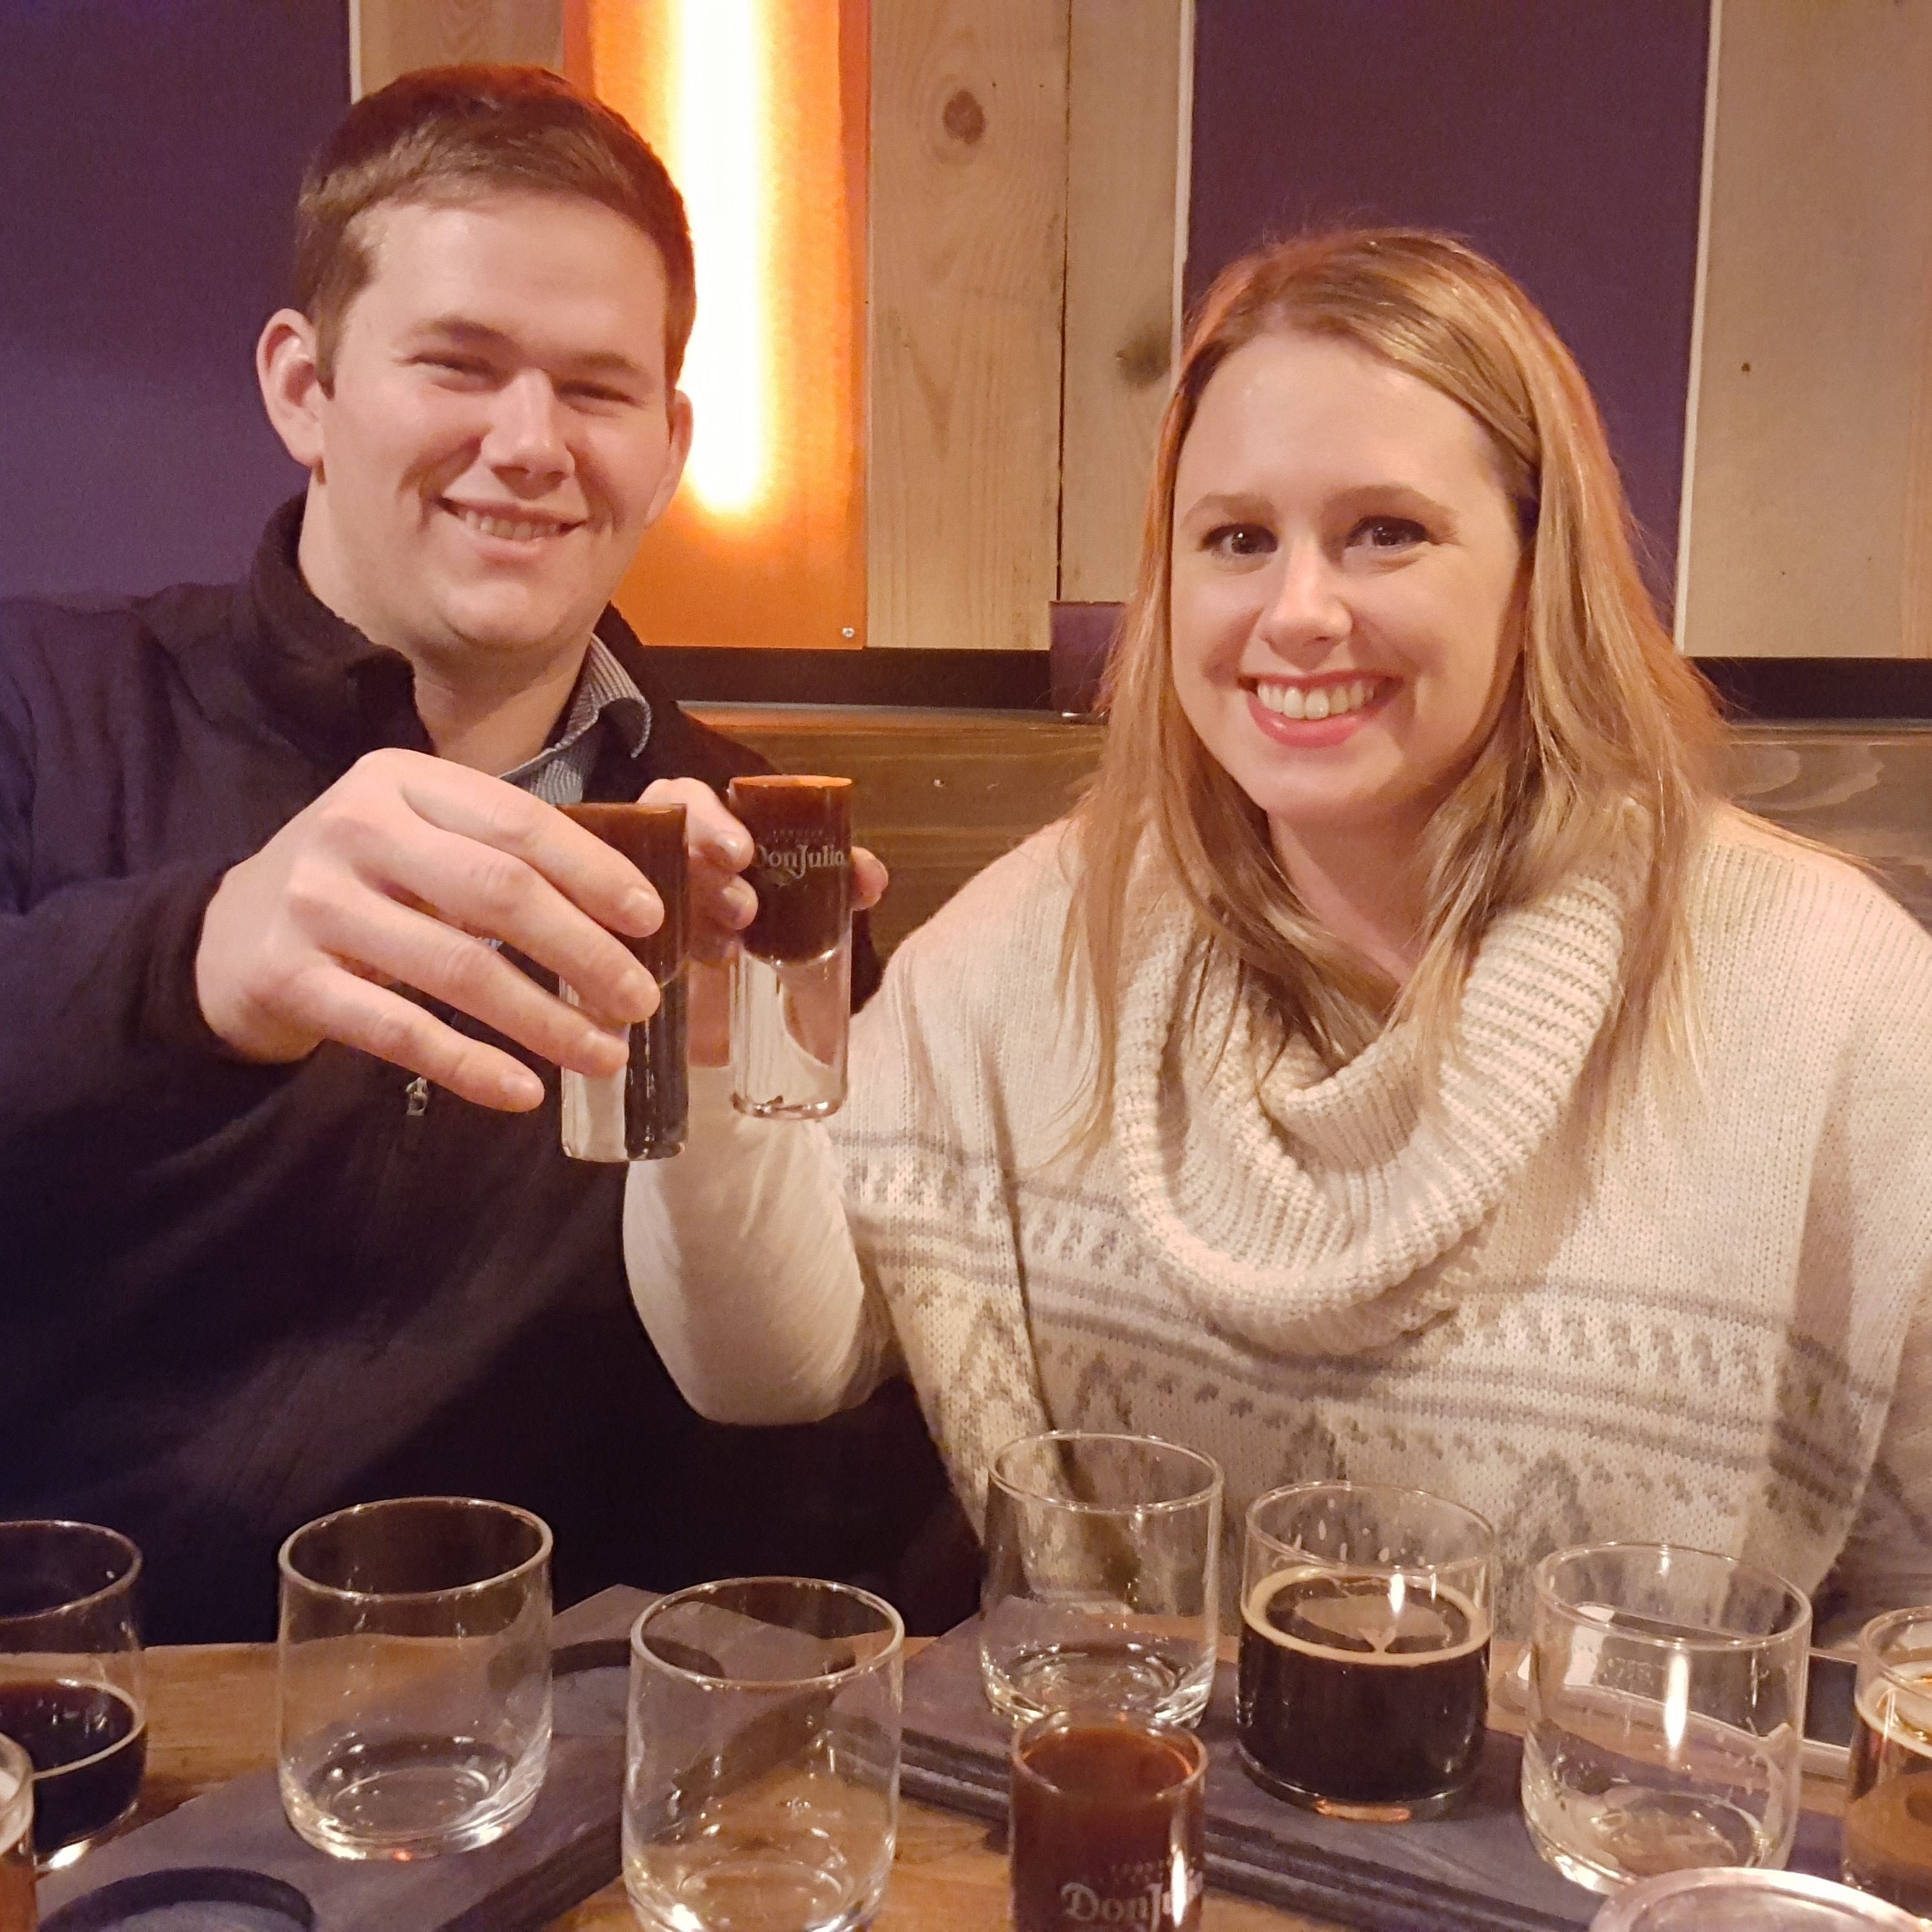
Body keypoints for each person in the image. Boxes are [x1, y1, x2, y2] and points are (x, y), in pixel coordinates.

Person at [630, 229, 1932, 1634]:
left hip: (1620, 1837)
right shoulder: (1054, 926)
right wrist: (708, 1048)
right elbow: (764, 1364)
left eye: (1388, 532)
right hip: (1126, 1802)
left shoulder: (1826, 989)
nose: (1297, 613)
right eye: (1238, 539)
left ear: (1533, 570)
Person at [0, 64, 960, 1642]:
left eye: (595, 389)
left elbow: (795, 1426)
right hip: (80, 1694)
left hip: (529, 1748)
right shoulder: (54, 705)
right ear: (302, 386)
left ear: (668, 441)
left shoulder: (743, 854)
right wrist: (194, 966)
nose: (529, 443)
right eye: (459, 364)